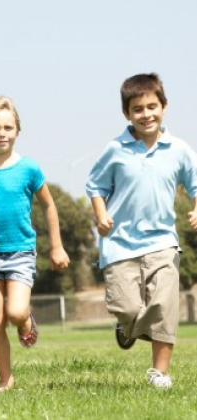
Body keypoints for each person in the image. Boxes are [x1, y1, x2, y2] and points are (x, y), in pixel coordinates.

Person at [86, 73, 197, 389]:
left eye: (152, 106)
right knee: (128, 307)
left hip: (163, 242)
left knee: (164, 306)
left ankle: (159, 372)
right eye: (138, 109)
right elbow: (95, 185)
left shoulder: (178, 149)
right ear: (127, 114)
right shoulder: (115, 149)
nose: (146, 114)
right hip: (119, 244)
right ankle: (127, 327)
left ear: (164, 106)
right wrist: (101, 214)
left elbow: (195, 183)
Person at [0, 96, 69, 394]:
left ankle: (25, 323)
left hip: (21, 251)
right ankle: (5, 379)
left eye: (8, 127)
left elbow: (49, 206)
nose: (1, 133)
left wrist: (56, 247)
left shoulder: (28, 169)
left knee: (16, 312)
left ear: (17, 130)